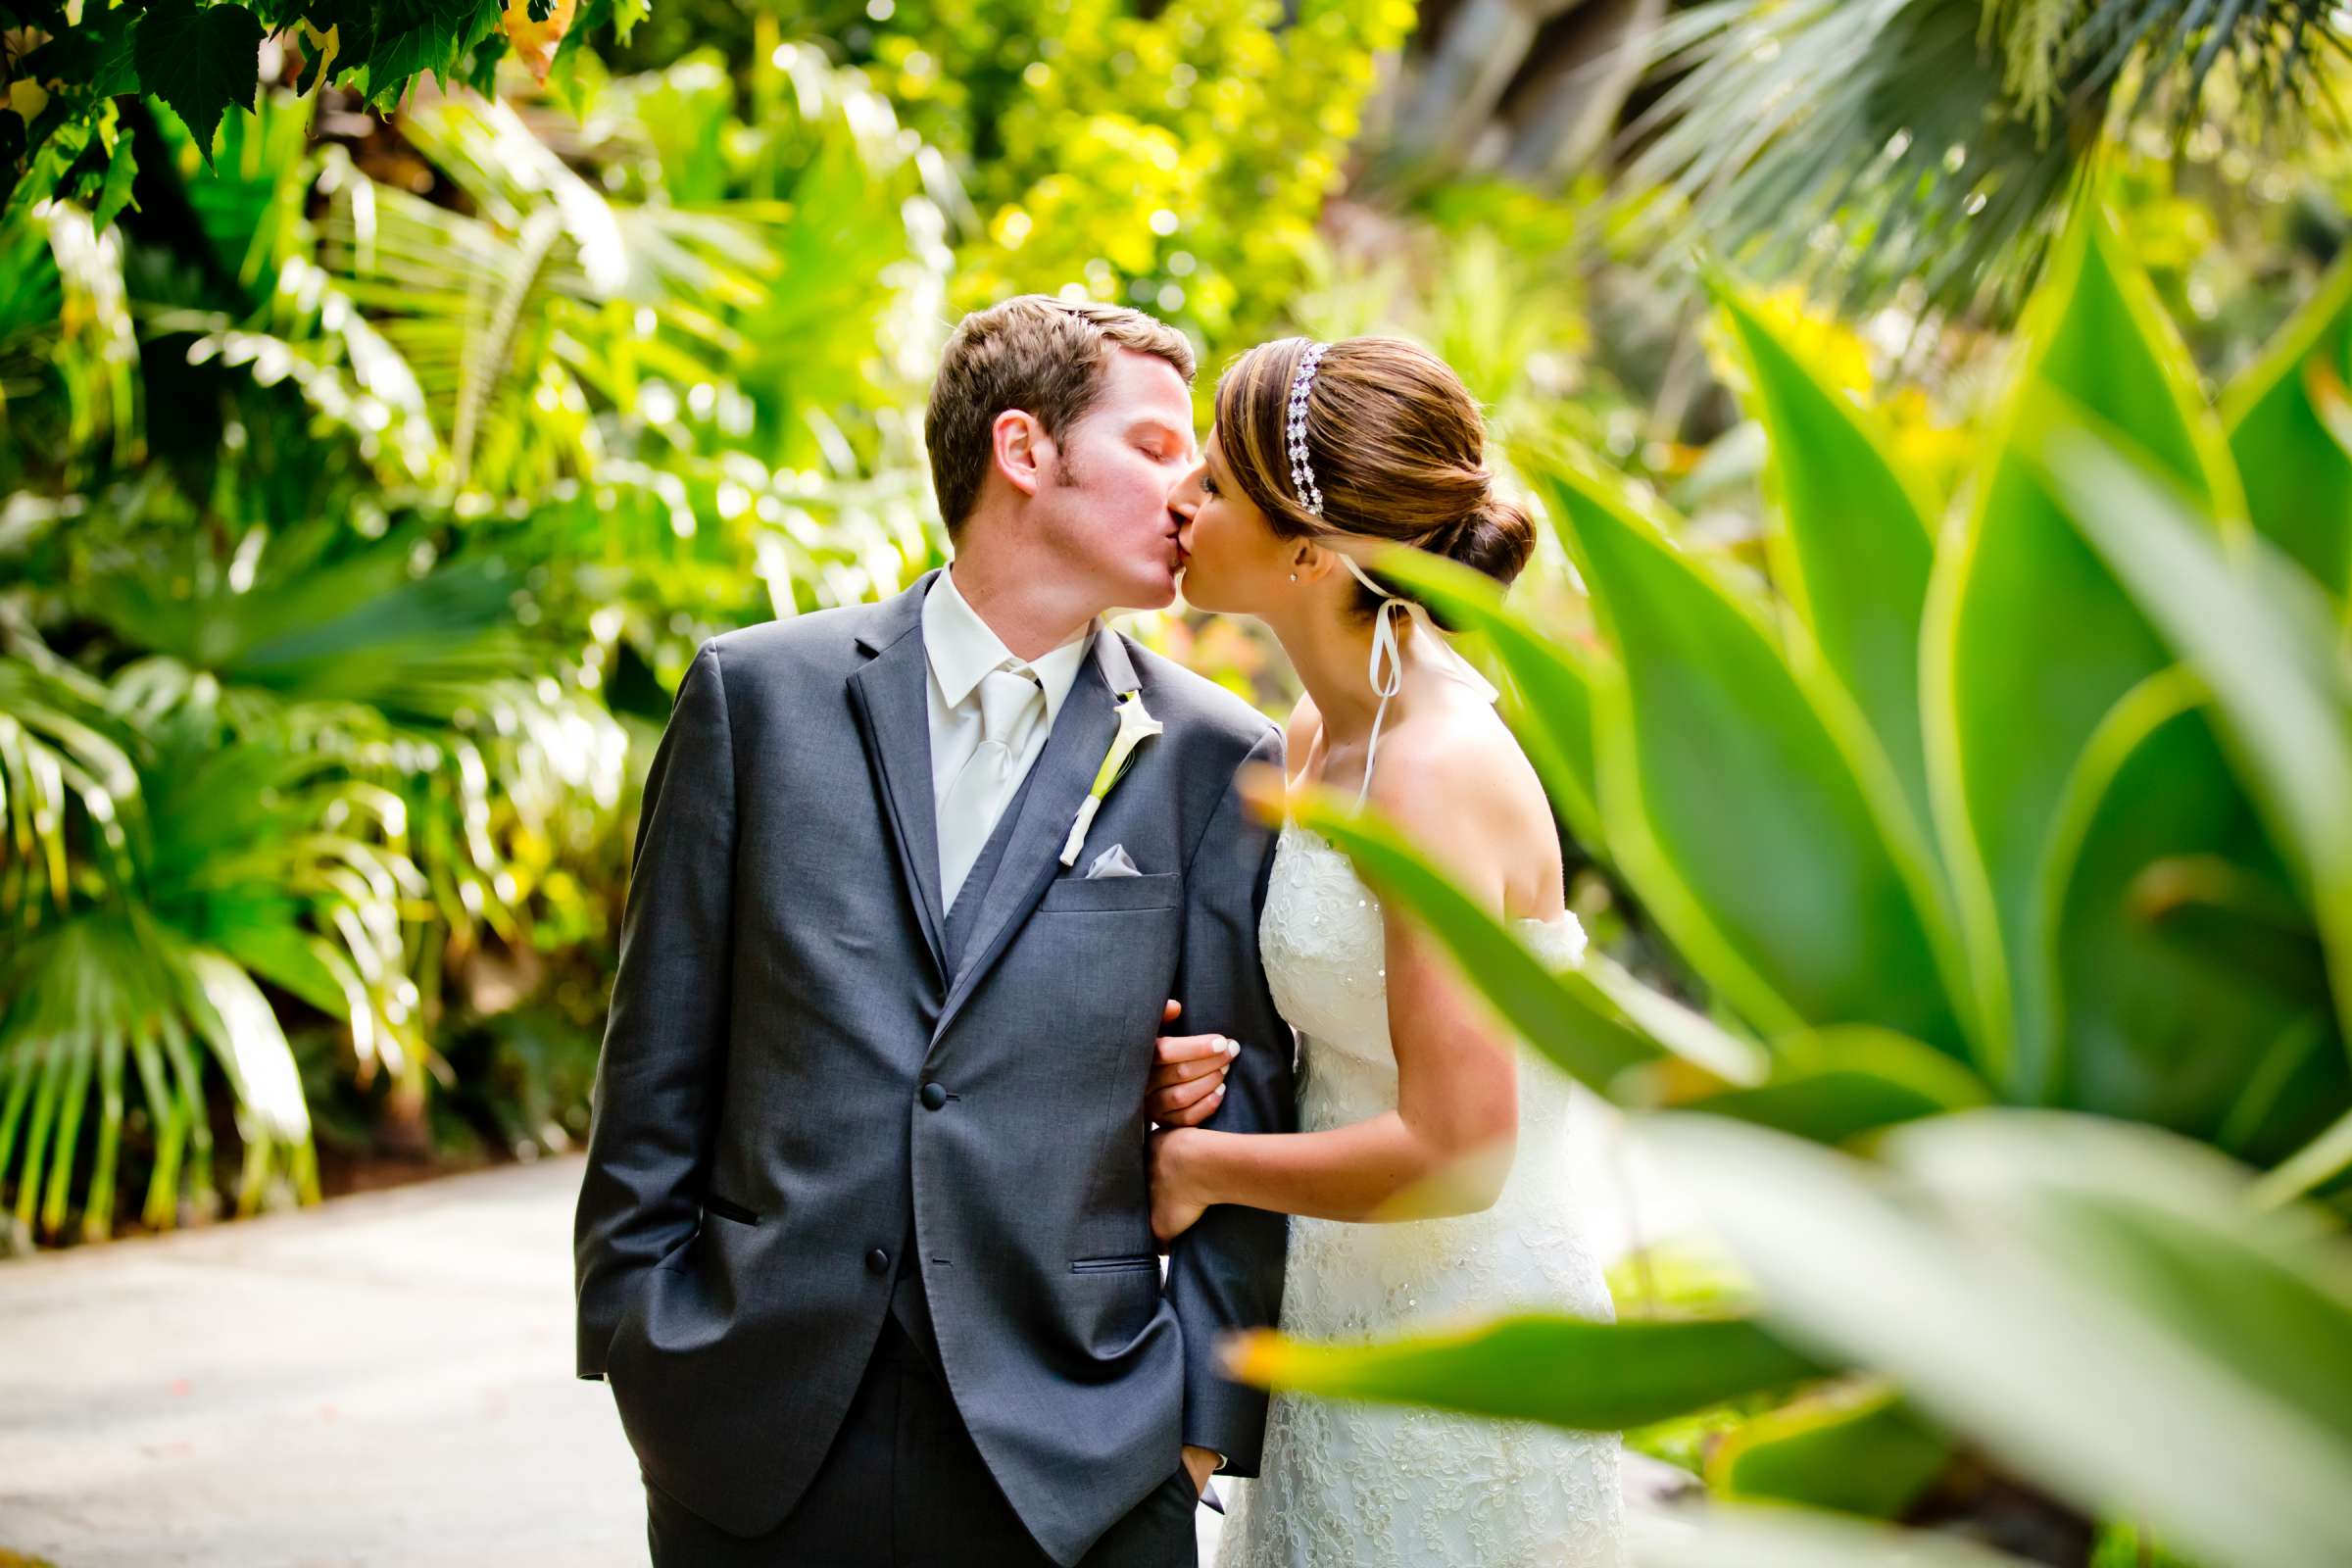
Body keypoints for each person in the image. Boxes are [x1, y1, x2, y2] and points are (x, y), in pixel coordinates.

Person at [573, 296, 1297, 1567]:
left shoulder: (1212, 757)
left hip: (1082, 1446)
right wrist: (645, 1351)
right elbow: (656, 1066)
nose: (1190, 491)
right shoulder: (759, 700)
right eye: (1152, 445)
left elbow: (1245, 1114)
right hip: (757, 1430)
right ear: (1025, 452)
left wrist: (1194, 1432)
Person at [1148, 335, 1624, 1567]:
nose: (1180, 504)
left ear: (1308, 547)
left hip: (1454, 1351)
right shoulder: (1321, 726)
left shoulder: (1431, 769)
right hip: (1339, 1313)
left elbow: (1462, 1150)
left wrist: (1204, 1165)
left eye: (1211, 483)